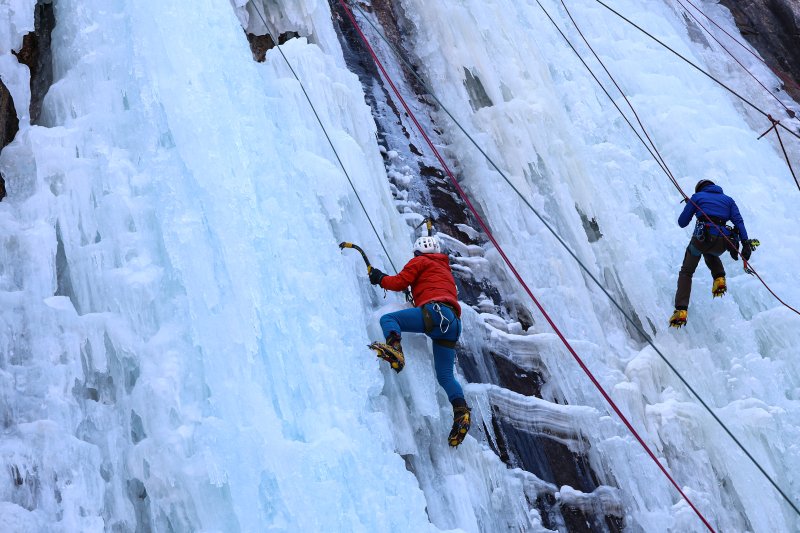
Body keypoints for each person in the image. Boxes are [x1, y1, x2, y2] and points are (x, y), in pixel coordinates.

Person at [367, 235, 470, 446]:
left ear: (417, 252)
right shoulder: (444, 269)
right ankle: (461, 413)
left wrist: (379, 277)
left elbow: (398, 282)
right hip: (453, 323)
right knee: (445, 376)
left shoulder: (420, 261)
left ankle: (395, 349)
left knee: (389, 319)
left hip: (435, 313)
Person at [669, 179, 754, 328]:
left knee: (687, 272)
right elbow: (739, 222)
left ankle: (681, 310)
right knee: (710, 253)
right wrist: (745, 243)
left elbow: (682, 222)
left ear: (700, 189)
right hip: (723, 241)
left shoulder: (697, 197)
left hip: (702, 239)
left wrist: (692, 206)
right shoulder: (728, 200)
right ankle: (719, 278)